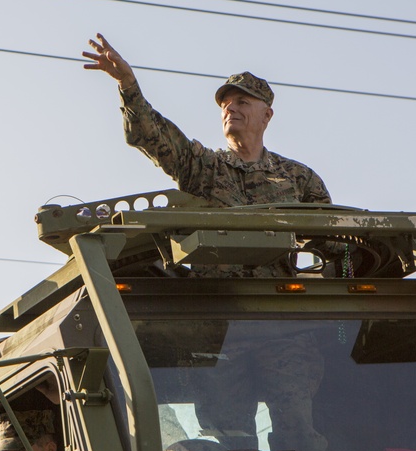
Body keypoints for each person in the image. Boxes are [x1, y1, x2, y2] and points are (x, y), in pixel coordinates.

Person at [82, 33, 332, 277]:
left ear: (267, 115)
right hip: (215, 304)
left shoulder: (299, 177)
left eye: (242, 102)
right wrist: (127, 84)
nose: (230, 108)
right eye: (225, 105)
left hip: (277, 307)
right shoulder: (205, 167)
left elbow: (337, 241)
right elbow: (153, 134)